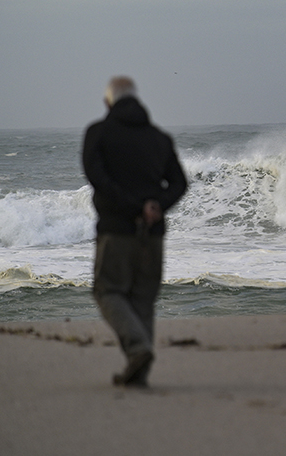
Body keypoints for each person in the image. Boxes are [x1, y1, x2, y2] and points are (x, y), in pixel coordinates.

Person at [82, 76, 188, 387]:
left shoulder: (98, 133)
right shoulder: (160, 138)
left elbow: (97, 177)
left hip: (117, 231)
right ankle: (138, 373)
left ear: (108, 101)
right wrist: (156, 206)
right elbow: (180, 184)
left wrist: (132, 206)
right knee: (143, 299)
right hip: (153, 235)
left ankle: (138, 350)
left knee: (107, 291)